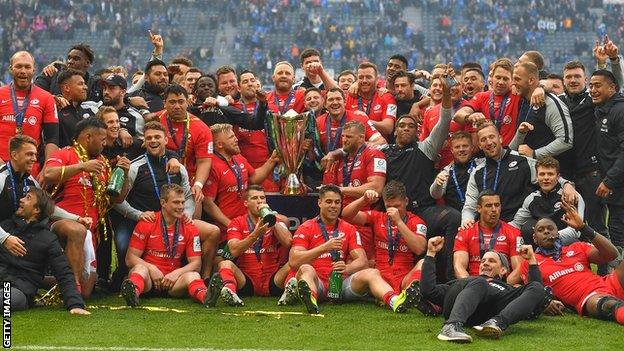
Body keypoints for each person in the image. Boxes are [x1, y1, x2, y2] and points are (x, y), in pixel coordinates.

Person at [113, 121, 219, 284]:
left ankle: (205, 277)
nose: (153, 141)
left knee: (213, 231)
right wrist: (139, 215)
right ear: (144, 142)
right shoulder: (135, 167)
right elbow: (117, 201)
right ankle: (125, 277)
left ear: (165, 140)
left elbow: (188, 195)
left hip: (175, 219)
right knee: (122, 244)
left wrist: (187, 215)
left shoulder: (178, 167)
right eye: (149, 138)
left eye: (157, 137)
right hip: (144, 220)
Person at [287, 185, 410, 314]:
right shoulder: (306, 227)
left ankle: (394, 301)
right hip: (318, 283)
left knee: (372, 272)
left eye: (337, 202)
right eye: (329, 202)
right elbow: (294, 261)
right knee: (306, 269)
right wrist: (323, 248)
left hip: (341, 283)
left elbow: (362, 261)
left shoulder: (348, 228)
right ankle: (311, 300)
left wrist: (347, 268)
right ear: (319, 203)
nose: (333, 206)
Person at [43, 117, 131, 297]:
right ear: (88, 137)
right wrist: (82, 166)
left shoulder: (103, 163)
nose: (105, 144)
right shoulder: (65, 153)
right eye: (102, 139)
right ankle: (71, 289)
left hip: (90, 232)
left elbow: (117, 199)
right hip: (61, 221)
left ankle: (38, 280)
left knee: (87, 292)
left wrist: (124, 173)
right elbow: (48, 174)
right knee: (77, 231)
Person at [510, 203, 624, 326]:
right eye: (541, 230)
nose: (546, 232)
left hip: (609, 283)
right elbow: (515, 285)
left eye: (550, 228)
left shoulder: (577, 247)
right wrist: (545, 301)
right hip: (588, 298)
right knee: (608, 305)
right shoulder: (531, 262)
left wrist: (583, 227)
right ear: (535, 238)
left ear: (558, 233)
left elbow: (612, 254)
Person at [423, 236, 546, 342]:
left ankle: (496, 323)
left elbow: (536, 293)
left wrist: (531, 260)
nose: (485, 263)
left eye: (491, 261)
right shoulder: (466, 281)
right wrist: (430, 253)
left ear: (503, 270)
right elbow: (428, 291)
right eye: (483, 261)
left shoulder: (507, 289)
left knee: (537, 287)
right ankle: (451, 326)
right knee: (480, 282)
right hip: (458, 301)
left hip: (487, 313)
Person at [121, 184, 220, 307]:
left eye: (183, 202)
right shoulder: (147, 223)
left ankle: (206, 298)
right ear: (163, 203)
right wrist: (152, 269)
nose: (181, 207)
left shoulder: (189, 227)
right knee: (139, 269)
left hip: (174, 283)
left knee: (193, 275)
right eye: (176, 202)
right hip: (149, 281)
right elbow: (130, 259)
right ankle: (133, 294)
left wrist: (176, 274)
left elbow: (196, 264)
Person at [461, 122, 576, 226]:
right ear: (480, 146)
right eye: (483, 139)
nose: (489, 142)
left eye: (492, 137)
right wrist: (466, 220)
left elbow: (548, 176)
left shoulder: (522, 160)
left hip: (519, 225)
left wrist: (566, 184)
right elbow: (470, 206)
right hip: (489, 227)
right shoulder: (477, 172)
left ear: (500, 138)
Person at [0, 187, 89, 314]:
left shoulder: (48, 239)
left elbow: (64, 273)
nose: (21, 200)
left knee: (7, 298)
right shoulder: (5, 227)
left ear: (36, 210)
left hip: (18, 290)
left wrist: (75, 304)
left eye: (28, 198)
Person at [342, 181, 427, 295]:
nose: (393, 210)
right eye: (389, 206)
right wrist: (364, 200)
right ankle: (397, 298)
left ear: (406, 201)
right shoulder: (378, 217)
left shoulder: (417, 222)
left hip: (404, 278)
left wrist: (398, 221)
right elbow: (346, 215)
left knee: (424, 262)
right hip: (380, 278)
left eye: (397, 206)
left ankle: (410, 293)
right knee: (372, 273)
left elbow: (420, 248)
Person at [216, 185, 292, 305]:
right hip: (247, 279)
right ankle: (230, 292)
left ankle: (288, 294)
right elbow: (234, 250)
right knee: (225, 264)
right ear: (246, 203)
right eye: (255, 198)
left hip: (273, 278)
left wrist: (272, 220)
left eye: (262, 198)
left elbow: (287, 242)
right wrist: (255, 235)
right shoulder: (237, 222)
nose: (260, 201)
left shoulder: (276, 221)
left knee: (295, 263)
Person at [558, 60, 608, 242]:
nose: (573, 80)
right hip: (565, 177)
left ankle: (604, 269)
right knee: (564, 223)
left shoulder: (594, 101)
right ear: (563, 80)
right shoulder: (558, 103)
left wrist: (605, 62)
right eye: (569, 77)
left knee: (596, 225)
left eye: (577, 76)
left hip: (590, 174)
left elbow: (614, 85)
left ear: (585, 80)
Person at [322, 120, 386, 261]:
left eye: (349, 137)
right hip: (338, 221)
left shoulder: (373, 154)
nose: (344, 140)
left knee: (362, 263)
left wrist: (341, 190)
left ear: (361, 138)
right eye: (343, 136)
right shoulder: (339, 159)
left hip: (362, 221)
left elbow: (376, 188)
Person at [202, 123, 280, 232]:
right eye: (231, 137)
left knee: (283, 222)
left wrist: (272, 160)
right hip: (227, 227)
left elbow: (254, 178)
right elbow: (208, 204)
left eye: (234, 136)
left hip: (247, 219)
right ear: (219, 144)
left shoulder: (238, 157)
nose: (236, 139)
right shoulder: (212, 166)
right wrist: (231, 225)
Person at [510, 62, 574, 178]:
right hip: (529, 175)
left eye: (517, 79)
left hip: (553, 176)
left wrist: (535, 154)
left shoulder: (550, 103)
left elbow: (565, 141)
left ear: (530, 80)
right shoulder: (523, 101)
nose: (513, 83)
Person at [157, 84, 213, 215]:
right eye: (172, 102)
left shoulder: (201, 128)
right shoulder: (156, 120)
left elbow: (204, 161)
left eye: (181, 101)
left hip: (188, 183)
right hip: (159, 179)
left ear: (188, 102)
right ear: (164, 103)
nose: (177, 106)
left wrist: (198, 185)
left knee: (193, 222)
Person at [0, 51, 59, 172]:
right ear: (11, 69)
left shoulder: (46, 98)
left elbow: (52, 138)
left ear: (34, 70)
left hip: (31, 170)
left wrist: (47, 169)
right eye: (18, 66)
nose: (23, 71)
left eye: (27, 67)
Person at [511, 156, 584, 246]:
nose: (546, 178)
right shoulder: (531, 199)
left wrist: (547, 237)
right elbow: (515, 225)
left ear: (558, 177)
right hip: (541, 246)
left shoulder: (570, 196)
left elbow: (576, 231)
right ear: (536, 177)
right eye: (542, 174)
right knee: (527, 228)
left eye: (550, 174)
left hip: (567, 244)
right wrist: (496, 228)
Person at [591, 69, 624, 255]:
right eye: (591, 86)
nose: (593, 90)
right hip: (615, 185)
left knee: (618, 232)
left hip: (618, 184)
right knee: (615, 230)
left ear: (612, 88)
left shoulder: (619, 111)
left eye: (598, 85)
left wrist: (609, 180)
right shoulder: (602, 109)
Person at [453, 190, 521, 278]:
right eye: (488, 206)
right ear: (479, 209)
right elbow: (458, 267)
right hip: (474, 284)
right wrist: (471, 285)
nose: (494, 210)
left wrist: (505, 285)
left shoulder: (513, 232)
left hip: (502, 285)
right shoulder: (465, 232)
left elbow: (519, 268)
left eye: (497, 205)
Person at [454, 58, 522, 146]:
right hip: (488, 152)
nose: (501, 82)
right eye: (498, 77)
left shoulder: (516, 94)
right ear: (491, 78)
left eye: (505, 79)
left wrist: (541, 88)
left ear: (512, 80)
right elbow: (458, 116)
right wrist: (469, 116)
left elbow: (536, 82)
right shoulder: (482, 96)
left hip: (509, 151)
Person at [345, 62, 397, 138]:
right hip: (354, 146)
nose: (364, 81)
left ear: (377, 79)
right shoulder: (351, 95)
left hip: (378, 146)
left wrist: (364, 120)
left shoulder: (386, 97)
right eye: (361, 77)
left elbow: (388, 128)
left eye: (368, 77)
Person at [35, 44, 100, 102]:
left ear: (87, 63)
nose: (70, 61)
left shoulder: (95, 83)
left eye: (76, 59)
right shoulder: (51, 73)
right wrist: (53, 99)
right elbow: (34, 93)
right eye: (69, 58)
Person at [430, 131, 476, 212]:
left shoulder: (481, 164)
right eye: (457, 147)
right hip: (456, 218)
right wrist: (437, 184)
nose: (461, 150)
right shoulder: (446, 171)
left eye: (465, 146)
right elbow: (435, 195)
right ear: (452, 150)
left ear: (472, 147)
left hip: (480, 215)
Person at [56, 69, 92, 148]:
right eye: (80, 84)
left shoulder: (90, 112)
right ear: (67, 88)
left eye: (84, 84)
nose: (85, 87)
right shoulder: (55, 113)